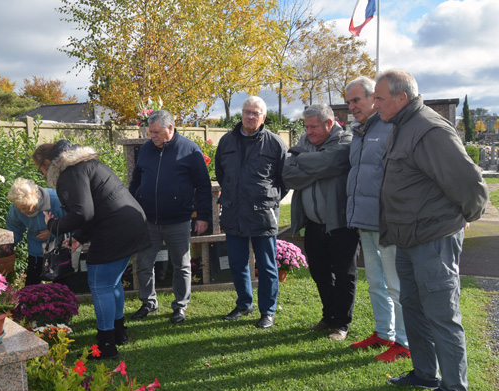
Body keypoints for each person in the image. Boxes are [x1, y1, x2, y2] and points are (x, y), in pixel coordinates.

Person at [374, 70, 488, 391]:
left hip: (433, 238)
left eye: (379, 98)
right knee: (413, 306)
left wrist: (463, 218)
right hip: (409, 238)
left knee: (441, 314)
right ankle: (425, 373)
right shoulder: (402, 126)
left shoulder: (429, 129)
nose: (374, 104)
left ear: (401, 98)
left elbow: (470, 183)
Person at [33, 140, 151, 360]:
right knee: (112, 283)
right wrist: (79, 237)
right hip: (131, 224)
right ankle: (118, 333)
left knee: (100, 285)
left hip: (115, 229)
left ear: (48, 163)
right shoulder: (87, 164)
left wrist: (54, 225)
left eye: (40, 170)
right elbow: (95, 207)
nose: (42, 175)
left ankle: (106, 346)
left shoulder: (70, 173)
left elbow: (82, 213)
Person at [344, 76, 410, 362]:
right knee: (375, 282)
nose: (351, 107)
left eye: (356, 100)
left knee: (395, 284)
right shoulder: (359, 132)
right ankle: (384, 333)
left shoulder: (391, 128)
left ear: (374, 98)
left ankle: (405, 343)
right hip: (365, 221)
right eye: (348, 102)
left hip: (388, 222)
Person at [281, 104, 358, 341]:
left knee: (344, 274)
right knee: (320, 272)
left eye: (313, 127)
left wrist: (303, 162)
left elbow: (333, 162)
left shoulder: (346, 140)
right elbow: (288, 175)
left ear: (329, 123)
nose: (309, 131)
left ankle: (341, 323)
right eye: (306, 126)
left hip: (341, 223)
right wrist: (321, 166)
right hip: (313, 223)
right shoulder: (304, 141)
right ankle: (329, 316)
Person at [129, 110, 212, 324]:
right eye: (150, 132)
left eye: (156, 132)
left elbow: (203, 186)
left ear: (170, 128)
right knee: (143, 264)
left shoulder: (190, 150)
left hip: (178, 220)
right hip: (149, 220)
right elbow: (136, 181)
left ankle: (180, 306)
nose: (152, 136)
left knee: (181, 266)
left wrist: (203, 216)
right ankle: (148, 303)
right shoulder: (146, 150)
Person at [215, 96, 287, 329]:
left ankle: (267, 311)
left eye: (255, 113)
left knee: (266, 266)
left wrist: (268, 200)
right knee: (237, 263)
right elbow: (221, 174)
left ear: (263, 117)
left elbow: (284, 180)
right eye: (247, 111)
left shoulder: (275, 143)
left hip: (263, 214)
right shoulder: (227, 141)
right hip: (233, 212)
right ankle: (244, 304)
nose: (250, 116)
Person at [6, 178, 66, 286]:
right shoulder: (16, 208)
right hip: (36, 247)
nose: (23, 212)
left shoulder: (56, 200)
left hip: (59, 246)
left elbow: (72, 222)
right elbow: (14, 228)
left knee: (61, 284)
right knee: (32, 283)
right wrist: (8, 245)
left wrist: (53, 230)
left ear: (35, 197)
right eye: (20, 209)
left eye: (26, 208)